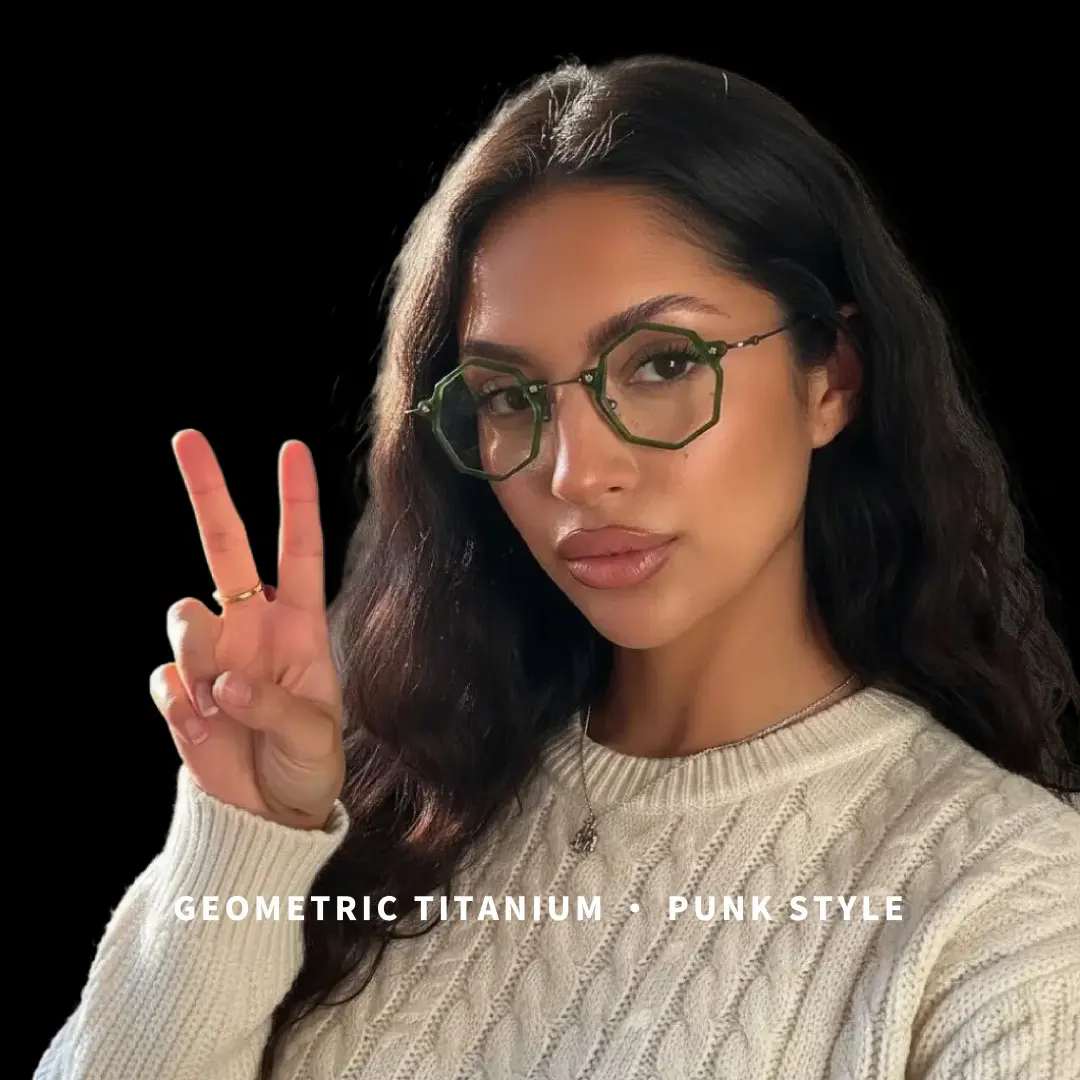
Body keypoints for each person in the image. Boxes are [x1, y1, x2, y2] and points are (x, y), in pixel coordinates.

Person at [37, 54, 1080, 1080]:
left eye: (665, 364)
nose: (578, 475)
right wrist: (246, 836)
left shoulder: (1005, 902)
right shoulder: (397, 807)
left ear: (832, 377)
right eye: (508, 395)